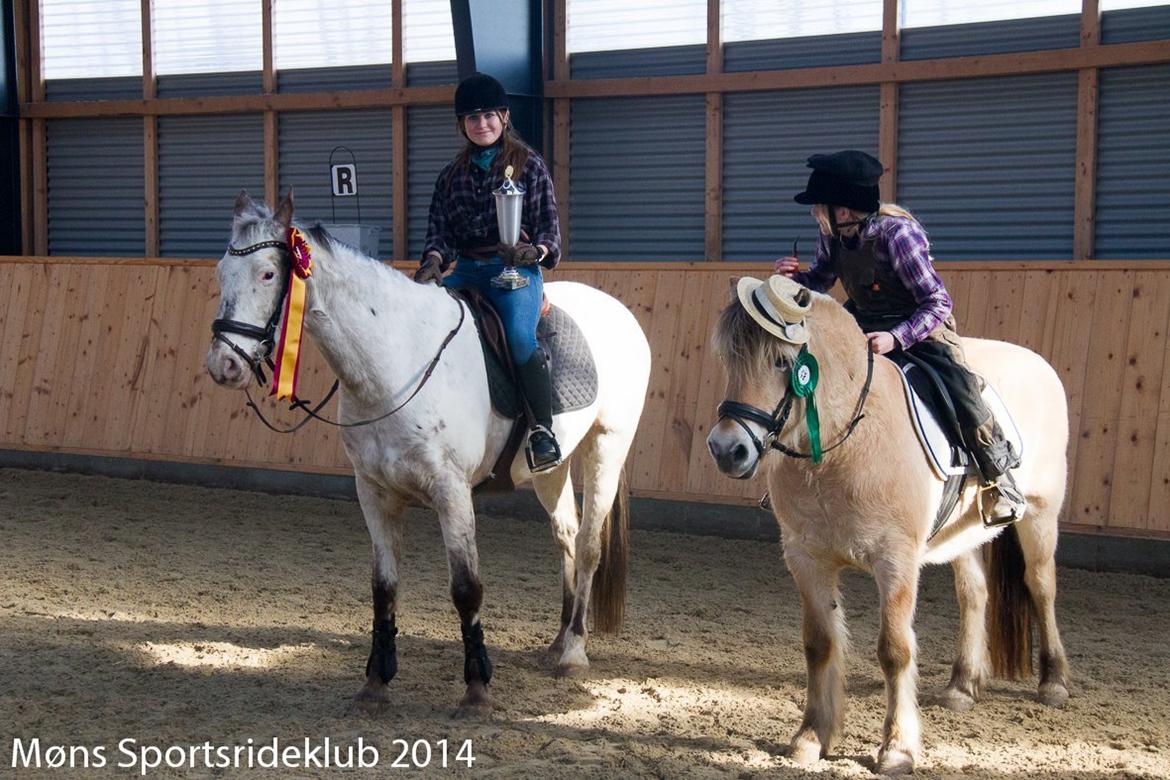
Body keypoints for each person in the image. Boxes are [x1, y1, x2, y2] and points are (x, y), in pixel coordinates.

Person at [775, 150, 1026, 524]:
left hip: (920, 327)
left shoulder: (899, 236)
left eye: (818, 207)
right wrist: (795, 279)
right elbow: (823, 279)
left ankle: (997, 476)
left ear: (842, 211)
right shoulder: (833, 235)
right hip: (861, 324)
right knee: (814, 376)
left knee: (961, 389)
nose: (814, 214)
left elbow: (938, 301)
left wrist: (896, 338)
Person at [414, 72, 562, 472]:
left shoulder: (529, 166)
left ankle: (542, 431)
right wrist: (432, 260)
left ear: (504, 116)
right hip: (466, 271)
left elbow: (550, 230)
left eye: (488, 116)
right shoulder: (450, 176)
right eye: (472, 118)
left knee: (517, 337)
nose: (481, 124)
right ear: (462, 125)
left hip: (515, 273)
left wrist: (535, 251)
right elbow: (439, 232)